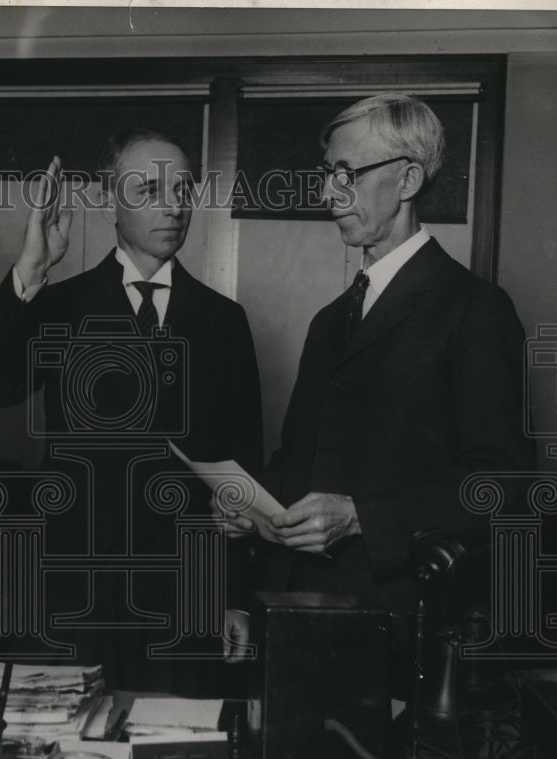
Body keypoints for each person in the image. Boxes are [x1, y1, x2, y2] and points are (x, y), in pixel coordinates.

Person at [223, 94, 535, 662]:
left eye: (348, 174)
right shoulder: (329, 321)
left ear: (408, 179)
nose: (328, 194)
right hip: (294, 613)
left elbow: (504, 485)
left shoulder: (474, 309)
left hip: (399, 625)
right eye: (327, 174)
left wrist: (360, 518)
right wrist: (252, 503)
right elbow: (302, 457)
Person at [0, 130, 263, 693]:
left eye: (183, 189)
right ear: (107, 203)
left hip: (186, 598)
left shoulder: (224, 321)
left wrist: (237, 598)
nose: (173, 206)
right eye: (149, 190)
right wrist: (30, 268)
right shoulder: (59, 305)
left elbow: (244, 473)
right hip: (74, 598)